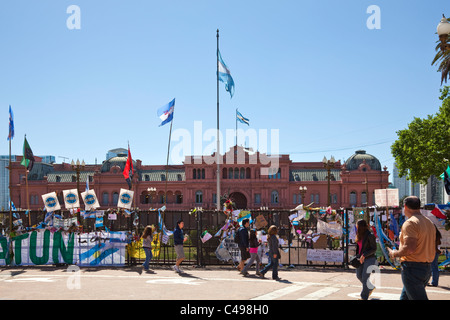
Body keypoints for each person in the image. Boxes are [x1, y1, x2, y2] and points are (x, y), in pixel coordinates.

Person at [388, 196, 436, 300]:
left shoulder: (410, 223)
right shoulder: (429, 222)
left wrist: (394, 253)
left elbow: (409, 249)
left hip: (412, 268)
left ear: (405, 207)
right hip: (426, 267)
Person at [354, 219, 378, 300]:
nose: (356, 227)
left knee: (365, 277)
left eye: (357, 225)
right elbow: (359, 247)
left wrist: (364, 255)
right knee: (358, 275)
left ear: (360, 227)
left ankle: (364, 297)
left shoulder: (370, 235)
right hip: (360, 258)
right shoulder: (359, 234)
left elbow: (374, 248)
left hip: (369, 258)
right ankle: (370, 287)